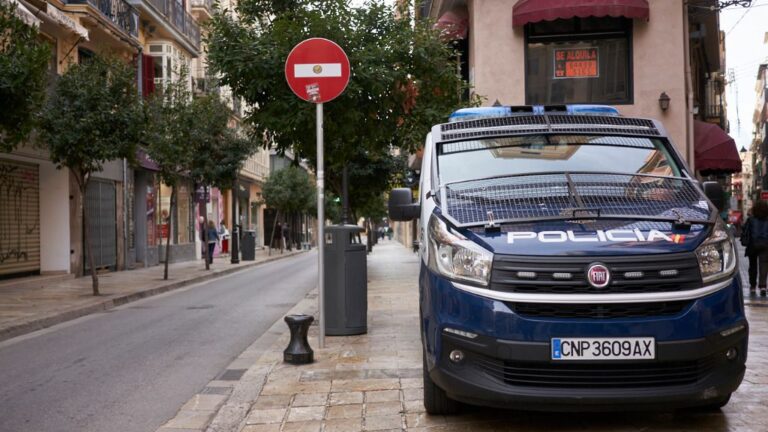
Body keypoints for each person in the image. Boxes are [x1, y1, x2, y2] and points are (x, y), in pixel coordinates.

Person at [742, 201, 768, 297]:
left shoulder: (751, 219)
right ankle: (763, 286)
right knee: (764, 266)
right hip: (766, 245)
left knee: (752, 266)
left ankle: (753, 287)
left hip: (753, 245)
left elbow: (745, 230)